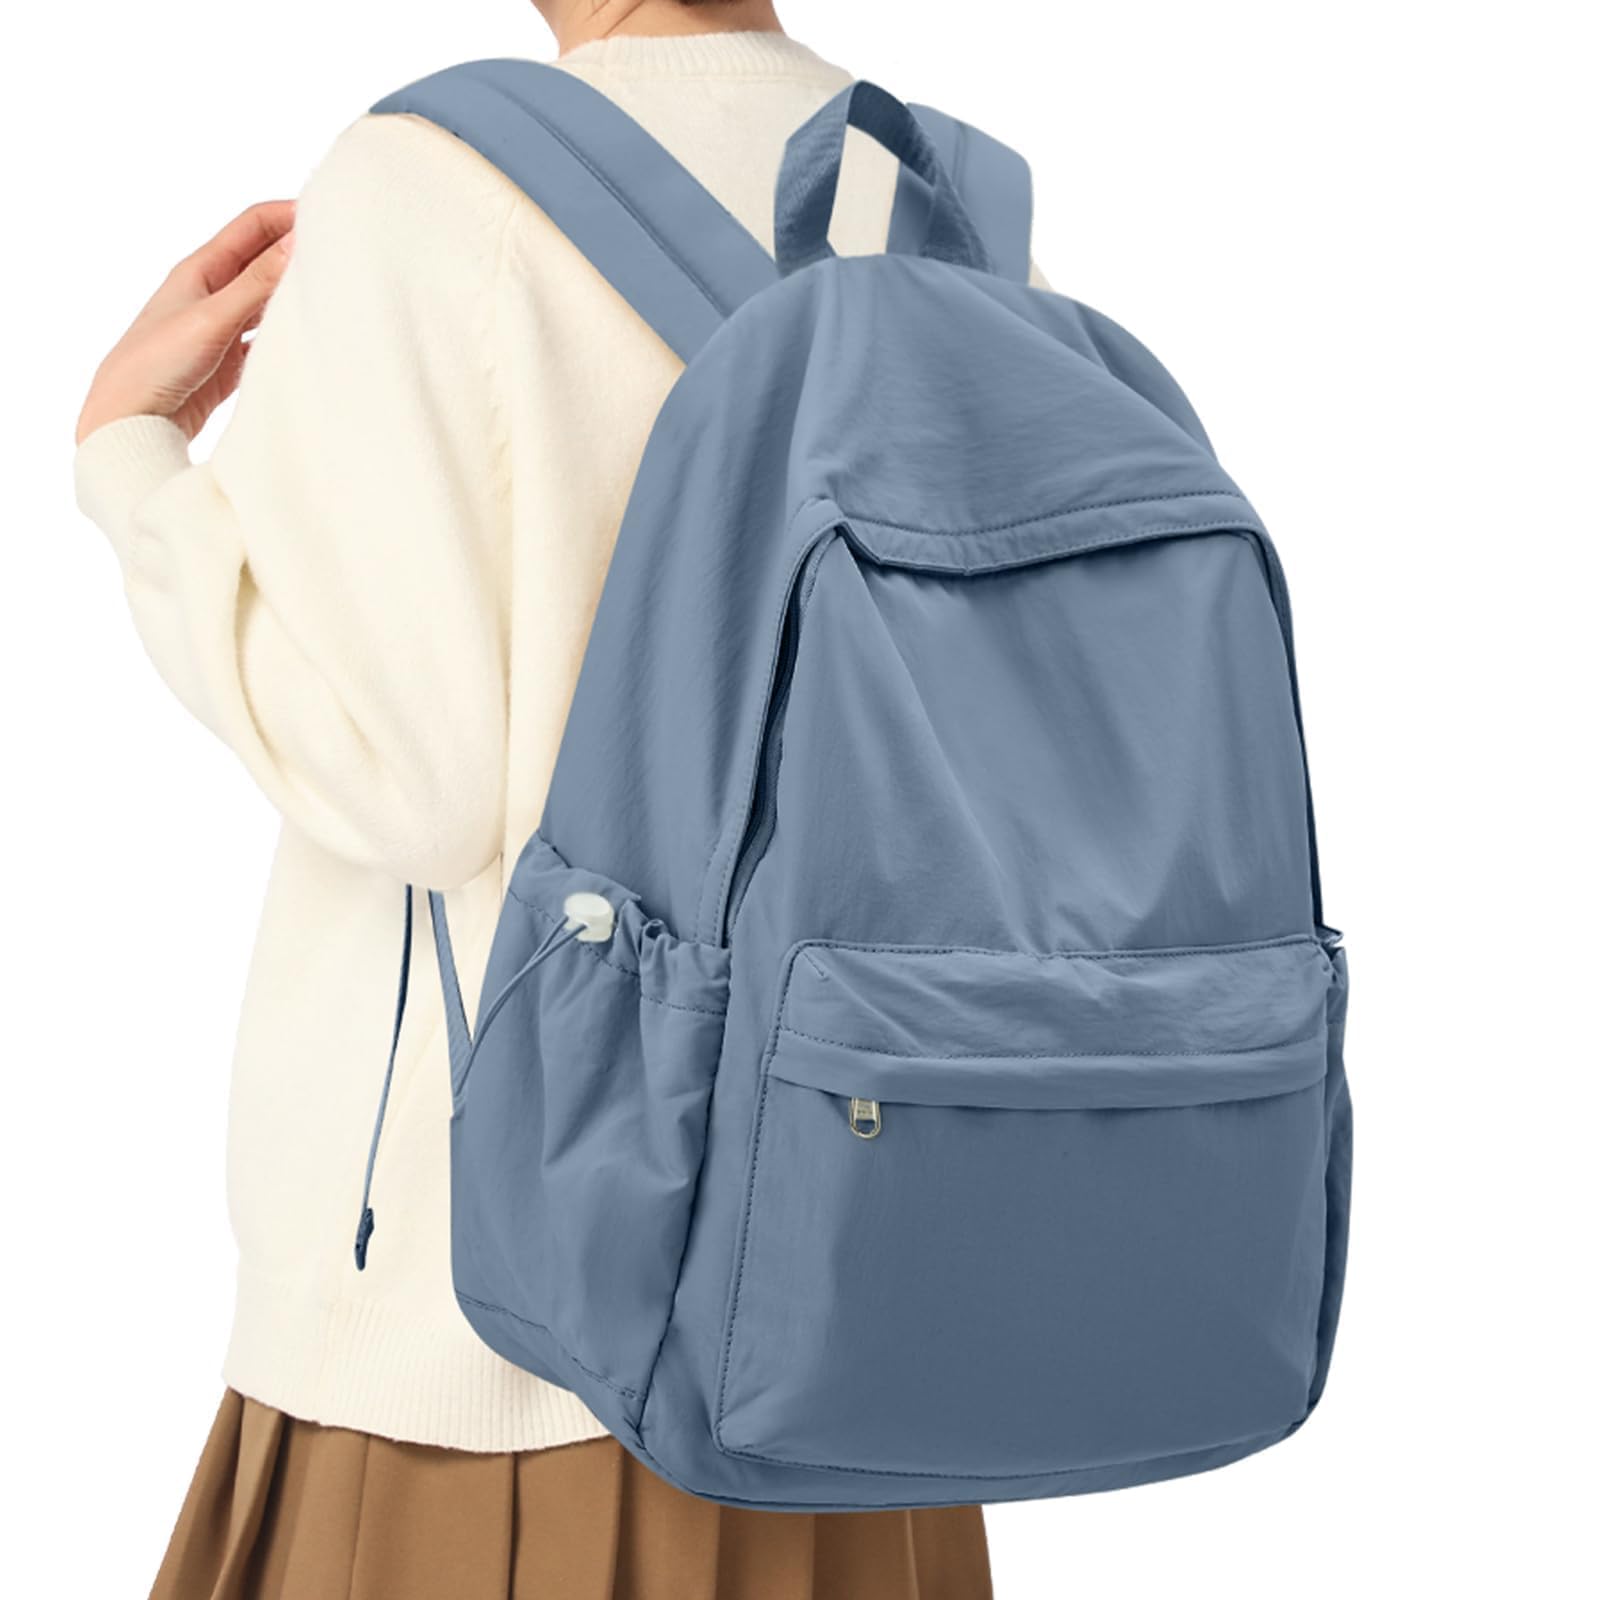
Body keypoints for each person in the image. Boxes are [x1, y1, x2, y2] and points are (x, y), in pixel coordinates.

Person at [75, 3, 999, 1595]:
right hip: (865, 1315)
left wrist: (133, 464)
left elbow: (404, 772)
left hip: (490, 1342)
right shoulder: (946, 204)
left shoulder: (435, 180)